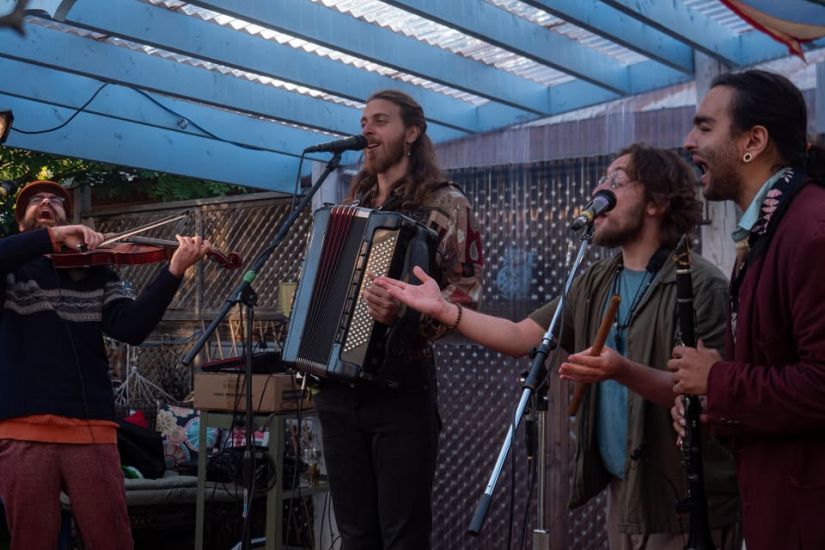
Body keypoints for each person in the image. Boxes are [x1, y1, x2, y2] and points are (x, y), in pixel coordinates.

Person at [375, 144, 741, 550]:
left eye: (617, 180)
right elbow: (519, 336)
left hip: (683, 499)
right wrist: (443, 309)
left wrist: (623, 370)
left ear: (656, 202)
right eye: (602, 178)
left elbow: (708, 397)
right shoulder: (595, 280)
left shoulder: (703, 286)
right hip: (626, 490)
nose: (601, 189)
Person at [313, 90, 483, 550]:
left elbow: (466, 294)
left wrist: (406, 317)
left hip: (400, 390)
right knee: (355, 536)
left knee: (403, 537)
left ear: (412, 133)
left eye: (380, 121)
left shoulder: (447, 203)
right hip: (337, 388)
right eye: (364, 120)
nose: (366, 129)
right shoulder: (354, 201)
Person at [0, 180, 210, 550]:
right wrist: (48, 240)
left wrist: (173, 271)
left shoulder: (98, 271)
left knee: (112, 539)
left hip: (92, 429)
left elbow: (132, 327)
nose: (47, 201)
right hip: (23, 430)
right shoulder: (11, 272)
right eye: (36, 200)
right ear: (21, 224)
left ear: (70, 219)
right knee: (31, 542)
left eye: (56, 201)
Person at [671, 69, 825, 549]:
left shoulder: (811, 230)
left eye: (705, 127)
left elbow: (821, 385)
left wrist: (716, 381)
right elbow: (773, 374)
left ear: (753, 141)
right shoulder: (769, 229)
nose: (688, 140)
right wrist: (713, 405)